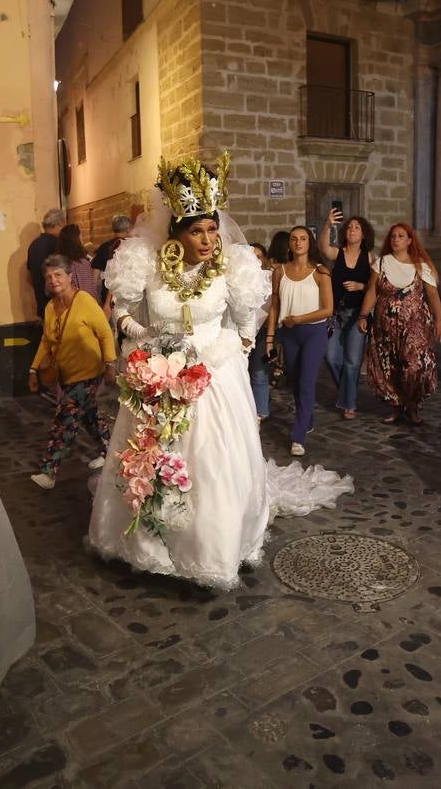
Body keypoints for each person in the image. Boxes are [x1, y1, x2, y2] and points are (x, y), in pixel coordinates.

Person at [90, 154, 350, 589]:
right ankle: (152, 546)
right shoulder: (147, 267)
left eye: (212, 228)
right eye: (197, 230)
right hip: (159, 378)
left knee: (214, 466)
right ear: (177, 232)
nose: (209, 239)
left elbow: (246, 317)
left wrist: (240, 347)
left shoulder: (234, 268)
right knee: (154, 462)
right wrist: (149, 339)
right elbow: (121, 312)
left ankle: (215, 546)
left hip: (215, 379)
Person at [28, 255, 115, 489]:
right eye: (48, 276)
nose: (53, 280)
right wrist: (33, 369)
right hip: (66, 375)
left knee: (64, 421)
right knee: (90, 415)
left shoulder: (84, 300)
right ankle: (110, 452)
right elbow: (47, 342)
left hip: (88, 372)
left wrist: (110, 365)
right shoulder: (49, 308)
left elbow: (105, 333)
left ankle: (49, 471)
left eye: (58, 274)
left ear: (69, 276)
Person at [358, 222, 441, 424]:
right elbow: (372, 291)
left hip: (415, 327)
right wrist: (363, 316)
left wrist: (440, 321)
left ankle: (412, 405)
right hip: (385, 326)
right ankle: (397, 406)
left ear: (410, 241)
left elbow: (432, 294)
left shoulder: (420, 266)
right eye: (393, 236)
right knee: (390, 366)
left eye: (401, 236)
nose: (396, 239)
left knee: (413, 366)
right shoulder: (381, 263)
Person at [268, 226, 334, 456]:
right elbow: (274, 306)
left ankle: (298, 436)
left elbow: (328, 309)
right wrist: (270, 338)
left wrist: (299, 319)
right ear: (289, 244)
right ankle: (308, 418)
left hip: (314, 333)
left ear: (309, 243)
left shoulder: (320, 272)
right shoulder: (280, 271)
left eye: (303, 238)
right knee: (296, 381)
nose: (298, 242)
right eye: (294, 239)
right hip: (289, 333)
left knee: (306, 380)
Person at [319, 208, 375, 419]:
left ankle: (349, 403)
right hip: (337, 313)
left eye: (357, 227)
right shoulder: (338, 253)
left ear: (364, 234)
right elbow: (324, 249)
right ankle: (347, 391)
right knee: (332, 357)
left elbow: (374, 285)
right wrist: (328, 225)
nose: (352, 230)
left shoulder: (370, 258)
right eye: (350, 227)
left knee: (352, 361)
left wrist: (361, 286)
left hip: (357, 315)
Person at [248, 243, 272, 422]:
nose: (255, 260)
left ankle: (261, 412)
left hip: (263, 330)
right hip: (243, 332)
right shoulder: (240, 278)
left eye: (258, 256)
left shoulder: (270, 277)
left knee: (259, 371)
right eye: (251, 256)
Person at [26, 208, 65, 316]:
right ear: (60, 223)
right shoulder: (58, 244)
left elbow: (29, 277)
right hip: (59, 304)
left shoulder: (33, 245)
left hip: (41, 303)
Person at [91, 213, 133, 303]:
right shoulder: (133, 246)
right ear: (129, 229)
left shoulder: (104, 247)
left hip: (108, 294)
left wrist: (93, 295)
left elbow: (95, 273)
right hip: (129, 292)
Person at [56, 223, 95, 292]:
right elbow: (89, 290)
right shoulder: (83, 263)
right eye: (81, 235)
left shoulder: (58, 264)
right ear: (76, 239)